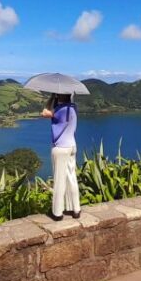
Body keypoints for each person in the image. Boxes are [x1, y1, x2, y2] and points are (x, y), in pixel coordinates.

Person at [41, 93, 80, 221]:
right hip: (72, 146)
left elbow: (44, 112)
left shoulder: (60, 110)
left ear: (60, 96)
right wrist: (59, 98)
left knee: (59, 180)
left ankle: (57, 213)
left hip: (61, 148)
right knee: (72, 177)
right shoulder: (73, 108)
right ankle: (76, 210)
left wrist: (52, 97)